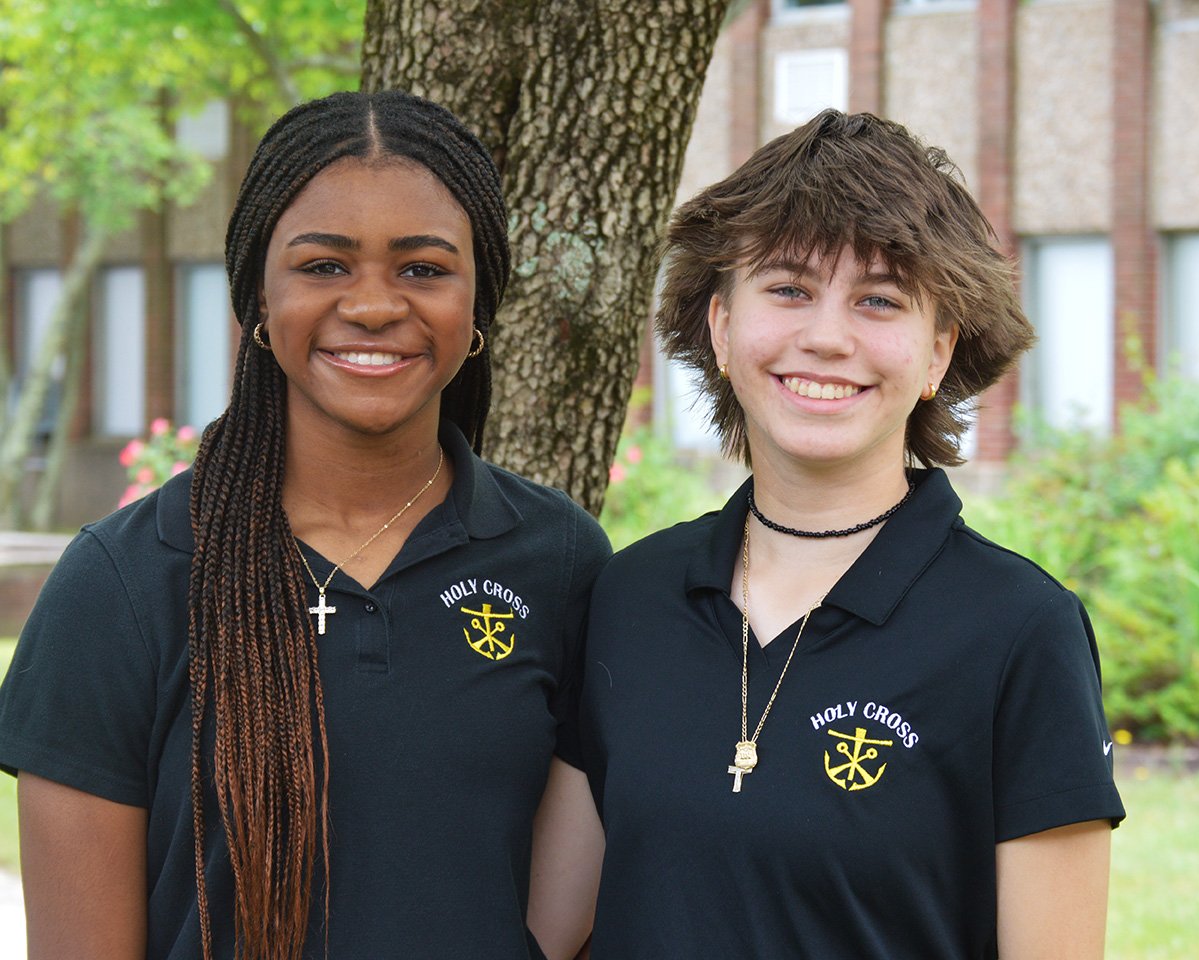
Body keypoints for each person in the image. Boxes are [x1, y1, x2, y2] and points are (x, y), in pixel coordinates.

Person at [0, 91, 608, 960]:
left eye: (423, 269)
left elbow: (570, 914)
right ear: (256, 299)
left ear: (479, 305)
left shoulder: (559, 561)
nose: (371, 306)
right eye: (323, 265)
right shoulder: (123, 584)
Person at [580, 110, 1125, 959]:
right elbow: (548, 922)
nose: (827, 337)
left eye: (878, 300)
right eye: (789, 289)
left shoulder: (1021, 630)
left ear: (939, 350)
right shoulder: (631, 593)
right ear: (721, 327)